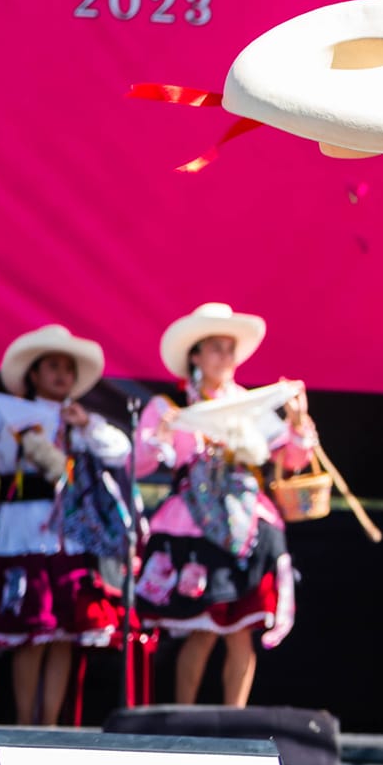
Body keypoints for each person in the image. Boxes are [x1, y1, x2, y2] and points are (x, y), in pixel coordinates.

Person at [0, 325, 133, 725]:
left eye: (67, 368)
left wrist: (86, 424)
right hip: (20, 529)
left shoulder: (78, 420)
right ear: (33, 374)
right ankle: (23, 726)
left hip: (68, 536)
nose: (62, 375)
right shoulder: (4, 413)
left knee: (63, 632)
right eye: (53, 367)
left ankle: (49, 725)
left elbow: (119, 450)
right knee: (31, 630)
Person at [133, 302, 315, 706]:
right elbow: (141, 463)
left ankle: (235, 721)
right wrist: (162, 435)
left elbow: (291, 459)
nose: (225, 356)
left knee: (240, 630)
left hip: (247, 527)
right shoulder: (172, 406)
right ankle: (182, 721)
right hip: (193, 527)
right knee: (203, 629)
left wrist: (297, 422)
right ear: (195, 355)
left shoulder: (249, 405)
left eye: (230, 349)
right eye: (216, 347)